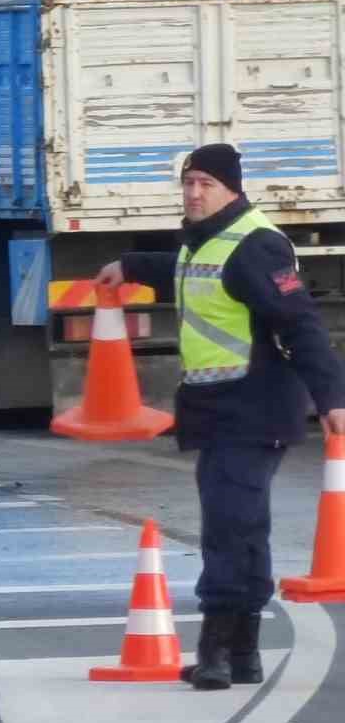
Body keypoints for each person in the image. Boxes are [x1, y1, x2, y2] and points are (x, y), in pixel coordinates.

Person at [96, 142, 345, 689]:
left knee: (228, 525)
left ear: (232, 188)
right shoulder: (203, 242)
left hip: (254, 407)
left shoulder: (255, 245)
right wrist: (131, 266)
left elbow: (301, 322)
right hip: (221, 407)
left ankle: (214, 650)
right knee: (243, 526)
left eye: (206, 183)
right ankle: (244, 655)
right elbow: (190, 273)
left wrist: (332, 397)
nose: (193, 193)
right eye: (188, 183)